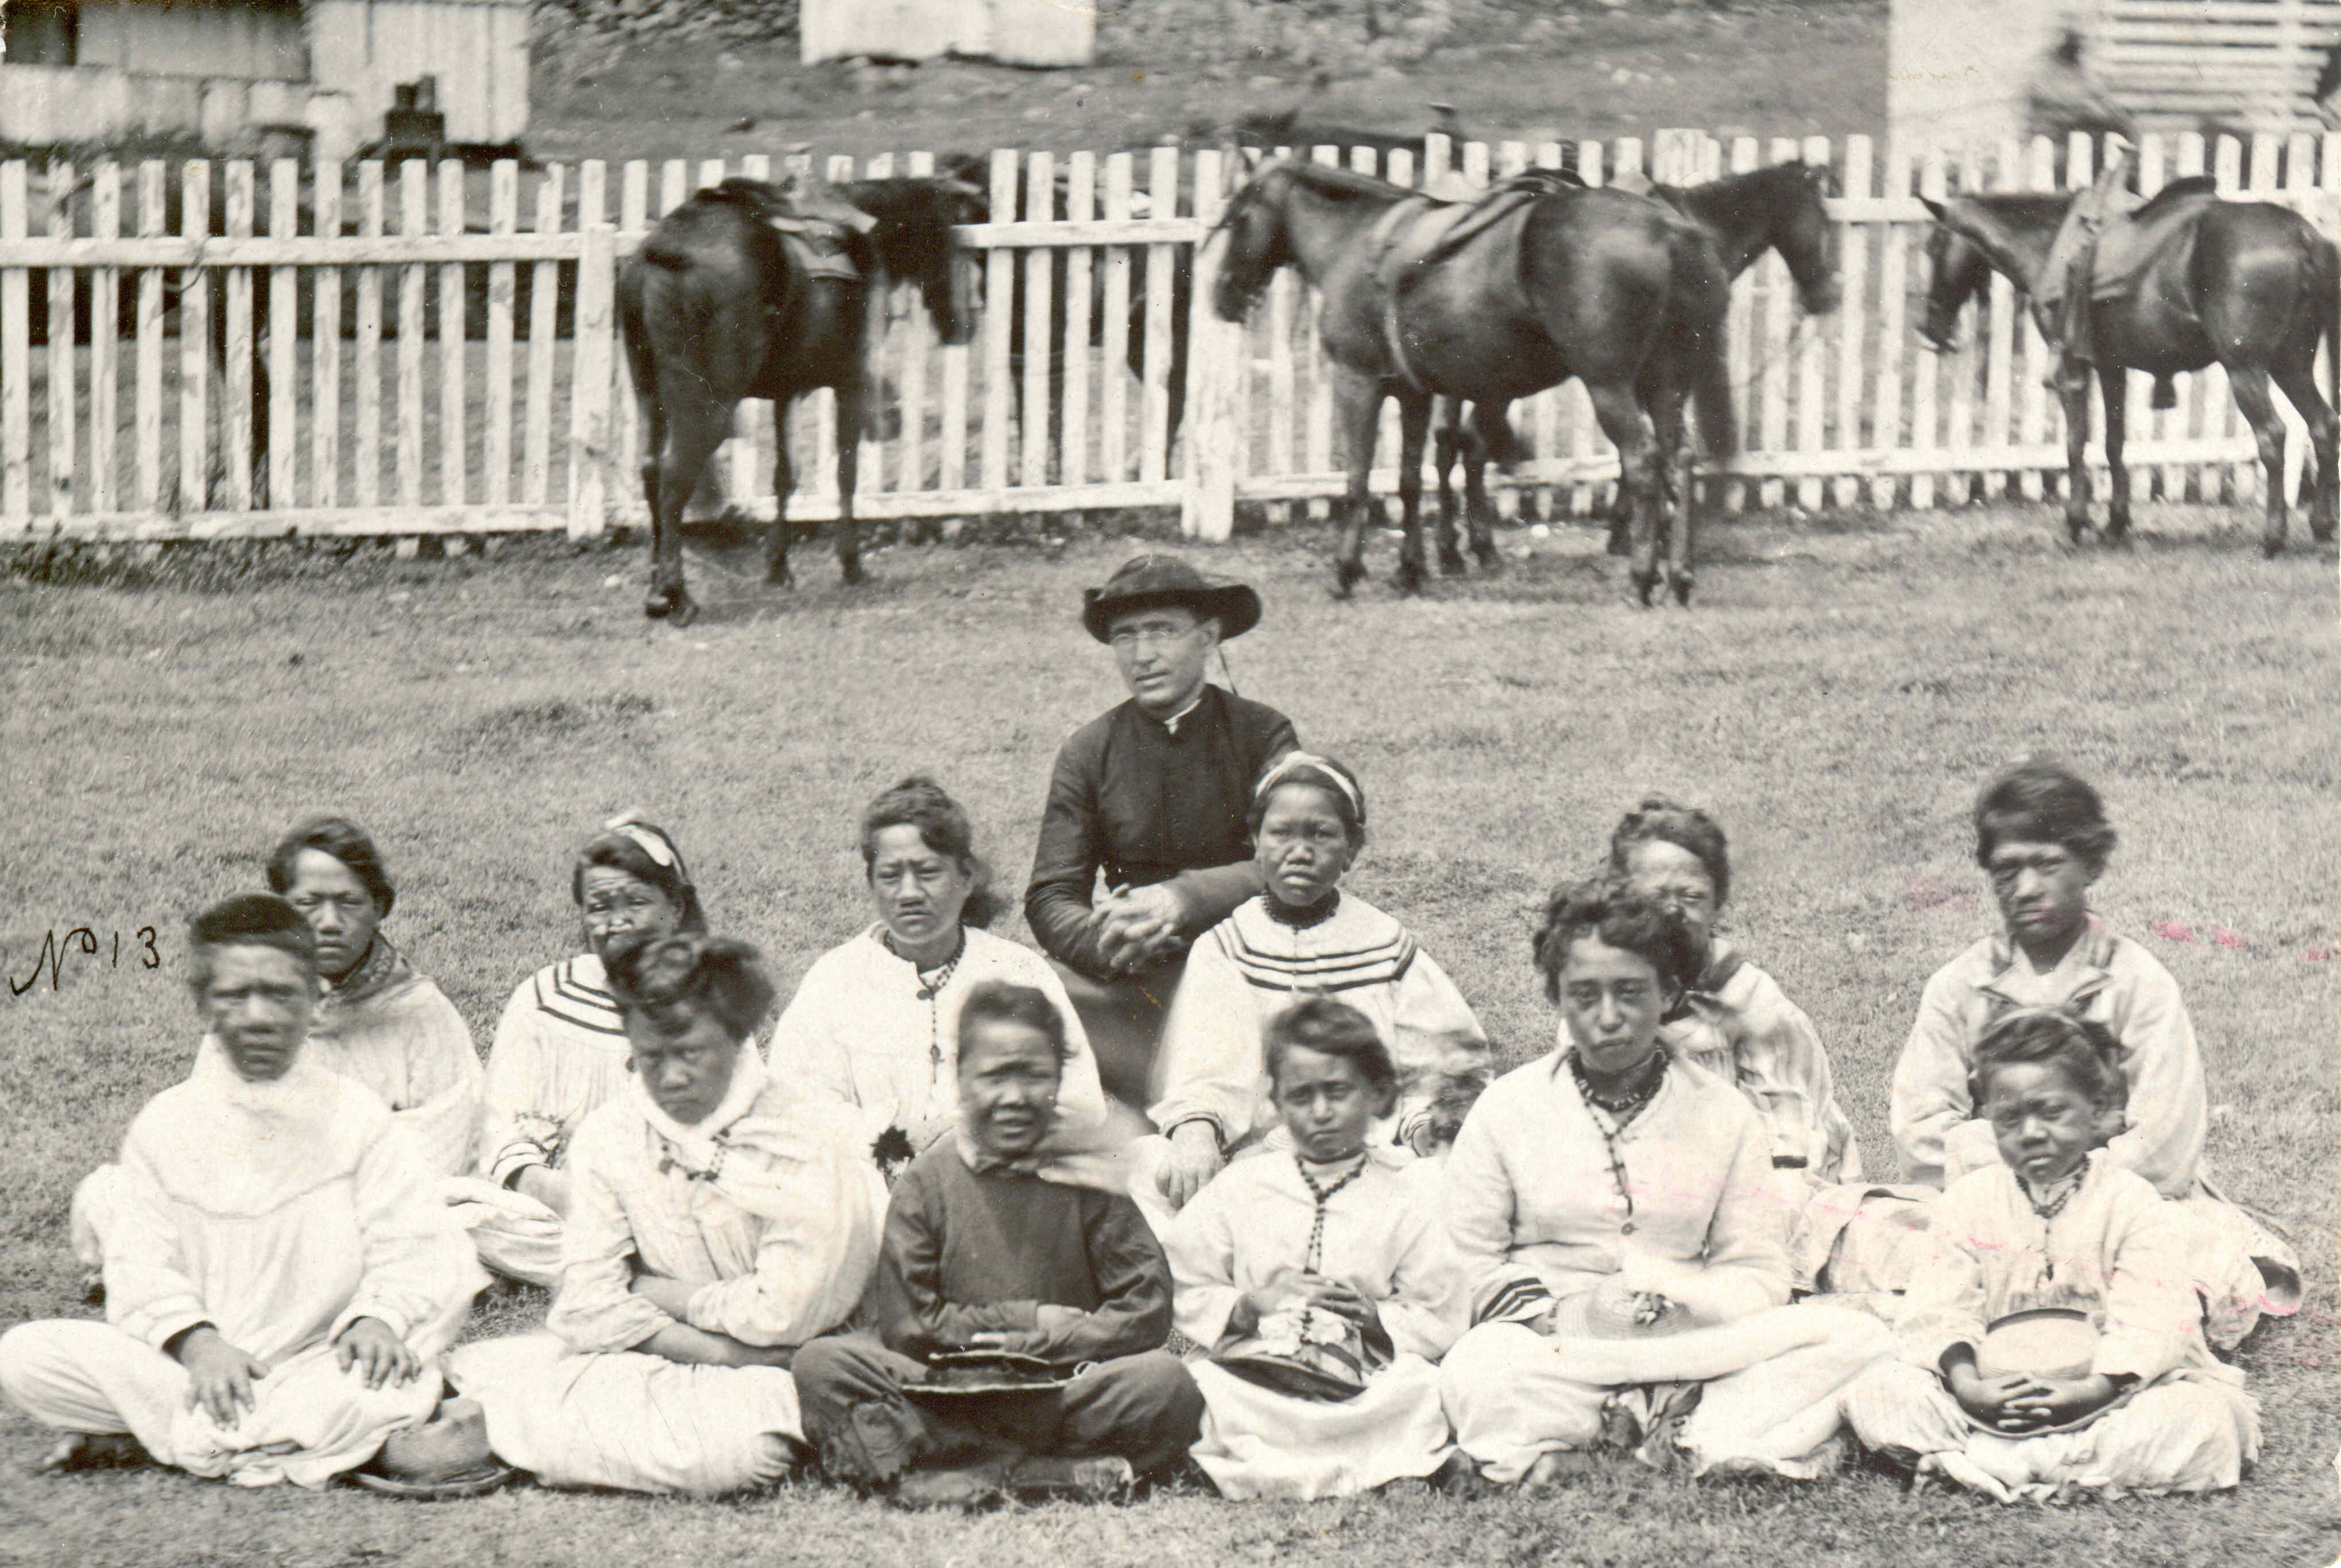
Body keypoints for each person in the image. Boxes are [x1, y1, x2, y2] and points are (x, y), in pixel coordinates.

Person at [0, 895, 485, 1489]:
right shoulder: (166, 1123)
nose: (259, 1016)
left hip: (326, 1361)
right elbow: (139, 1265)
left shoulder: (359, 1118)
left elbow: (414, 1245)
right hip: (200, 1369)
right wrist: (197, 1342)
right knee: (24, 1356)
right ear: (205, 1005)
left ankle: (184, 1437)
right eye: (236, 995)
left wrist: (377, 1319)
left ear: (313, 1000)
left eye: (280, 993)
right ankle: (303, 1443)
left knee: (379, 1386)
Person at [1437, 878, 1890, 1486]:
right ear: (1557, 997)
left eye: (1629, 993)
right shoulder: (1507, 1107)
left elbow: (1757, 1269)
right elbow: (1465, 1261)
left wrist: (1688, 1299)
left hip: (1692, 1342)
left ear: (1668, 992)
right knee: (1478, 1370)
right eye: (1584, 995)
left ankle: (1628, 1435)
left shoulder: (1725, 1112)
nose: (1607, 1018)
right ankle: (1684, 1434)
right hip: (1556, 1346)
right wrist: (1556, 1313)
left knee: (1850, 1336)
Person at [1888, 760, 2300, 1346]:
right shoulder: (1959, 987)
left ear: (2090, 864)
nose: (2027, 888)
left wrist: (2079, 1182)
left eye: (2048, 864)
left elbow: (2165, 1144)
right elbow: (1920, 1131)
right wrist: (2017, 1174)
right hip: (1988, 1203)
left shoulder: (2138, 983)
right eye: (2007, 870)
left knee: (2187, 1263)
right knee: (1884, 1244)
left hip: (2123, 1199)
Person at [448, 936, 878, 1495]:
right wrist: (717, 1347)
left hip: (795, 1359)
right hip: (684, 1351)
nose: (671, 1076)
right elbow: (589, 1302)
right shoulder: (610, 1135)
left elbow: (786, 1316)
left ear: (737, 1036)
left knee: (736, 1453)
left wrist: (655, 1291)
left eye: (691, 1052)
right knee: (499, 1382)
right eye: (652, 1056)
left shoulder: (806, 1136)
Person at [791, 982, 1205, 1509]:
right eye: (993, 1076)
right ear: (961, 1081)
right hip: (945, 1387)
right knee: (822, 1364)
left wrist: (1038, 1352)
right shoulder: (927, 1181)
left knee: (1166, 1383)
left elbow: (1145, 1310)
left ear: (1058, 1078)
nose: (1013, 1096)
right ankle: (1050, 1475)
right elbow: (908, 1325)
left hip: (1061, 1387)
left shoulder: (1089, 1171)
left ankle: (954, 1472)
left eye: (1032, 1074)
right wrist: (1031, 1320)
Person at [1847, 1009, 2259, 1502]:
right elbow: (1939, 1306)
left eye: (2052, 1111)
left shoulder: (2130, 1200)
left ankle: (1980, 1464)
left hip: (2106, 1398)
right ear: (1988, 1121)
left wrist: (2093, 1389)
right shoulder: (1968, 1197)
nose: (2031, 1133)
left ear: (2097, 1108)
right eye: (2009, 1118)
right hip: (1987, 1397)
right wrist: (1967, 1383)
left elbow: (2153, 1317)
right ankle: (2047, 1467)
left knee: (2204, 1420)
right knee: (1879, 1392)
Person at [68, 817, 484, 1279]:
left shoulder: (422, 1013)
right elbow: (208, 1127)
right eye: (308, 904)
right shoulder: (255, 1002)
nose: (329, 922)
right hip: (249, 1204)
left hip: (365, 1209)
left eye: (349, 903)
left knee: (475, 1217)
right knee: (108, 1190)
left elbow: (437, 1154)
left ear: (379, 907)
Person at [1144, 753, 1488, 1217]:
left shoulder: (1383, 943)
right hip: (1256, 1155)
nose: (1299, 850)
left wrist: (1425, 1125)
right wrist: (1197, 1132)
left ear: (1351, 848)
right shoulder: (1228, 945)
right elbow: (1202, 1070)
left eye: (1322, 834)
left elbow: (1440, 1062)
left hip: (1368, 1153)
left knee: (1445, 1184)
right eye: (1281, 833)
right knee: (1146, 1174)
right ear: (1255, 841)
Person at [1163, 997, 1468, 1500]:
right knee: (1202, 1386)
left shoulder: (1408, 1194)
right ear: (1278, 1104)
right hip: (1254, 1369)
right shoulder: (1242, 1186)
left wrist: (1377, 1318)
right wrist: (1243, 1306)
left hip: (1363, 1375)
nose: (1321, 1112)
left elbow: (1440, 1303)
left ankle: (1330, 1458)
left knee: (1420, 1389)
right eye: (1301, 1096)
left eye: (1338, 1092)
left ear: (1376, 1094)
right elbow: (1182, 1276)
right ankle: (1362, 1463)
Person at [1024, 553, 1298, 1109]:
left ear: (1208, 637)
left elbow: (1291, 855)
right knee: (1026, 1009)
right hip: (1134, 974)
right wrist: (1109, 941)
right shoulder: (1089, 750)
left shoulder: (1263, 733)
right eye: (1125, 636)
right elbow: (1052, 892)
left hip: (1247, 954)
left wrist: (1181, 898)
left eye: (1162, 632)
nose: (1142, 655)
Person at [767, 776, 1108, 1178]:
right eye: (890, 875)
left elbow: (1080, 1104)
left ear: (965, 878)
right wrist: (891, 1139)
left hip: (1000, 1185)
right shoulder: (835, 979)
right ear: (871, 884)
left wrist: (972, 1133)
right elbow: (793, 1106)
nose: (908, 892)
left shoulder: (1017, 973)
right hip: (870, 1192)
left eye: (927, 872)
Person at [446, 814, 710, 1288]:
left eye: (637, 901)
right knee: (461, 1212)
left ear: (674, 908)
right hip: (552, 1204)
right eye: (600, 906)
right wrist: (549, 1186)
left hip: (669, 1208)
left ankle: (619, 1272)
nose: (618, 922)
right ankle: (633, 1275)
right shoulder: (545, 995)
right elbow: (499, 1122)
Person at [1608, 799, 1858, 1193]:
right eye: (1654, 897)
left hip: (1757, 1188)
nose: (1672, 912)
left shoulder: (1750, 1002)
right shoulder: (1602, 995)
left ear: (1717, 904)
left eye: (1691, 897)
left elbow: (1791, 1143)